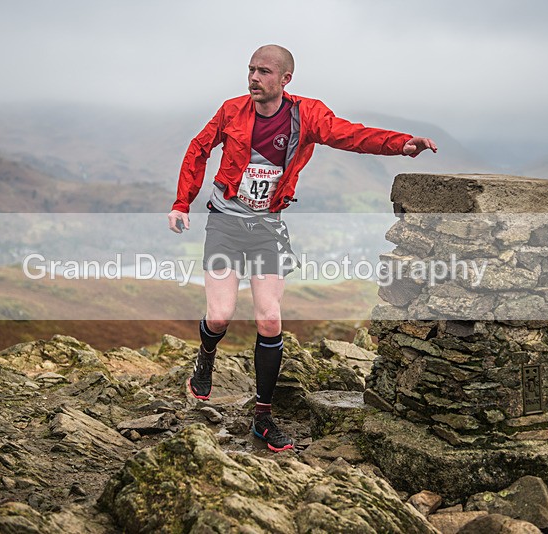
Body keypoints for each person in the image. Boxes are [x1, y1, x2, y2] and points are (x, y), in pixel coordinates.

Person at [168, 44, 436, 452]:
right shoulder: (231, 110)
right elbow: (198, 149)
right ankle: (205, 358)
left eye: (263, 72)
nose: (253, 78)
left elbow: (351, 135)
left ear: (285, 79)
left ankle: (262, 418)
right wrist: (181, 202)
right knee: (220, 315)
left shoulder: (305, 115)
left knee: (270, 320)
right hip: (224, 222)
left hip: (267, 227)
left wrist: (400, 144)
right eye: (251, 70)